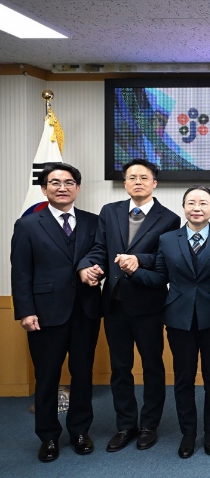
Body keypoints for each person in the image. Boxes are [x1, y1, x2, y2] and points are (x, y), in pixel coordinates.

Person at [129, 186, 210, 458]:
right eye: (191, 203)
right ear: (184, 207)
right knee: (183, 378)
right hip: (179, 318)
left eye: (203, 203)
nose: (197, 208)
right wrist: (134, 273)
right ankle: (188, 432)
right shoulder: (168, 239)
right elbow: (160, 277)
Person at [77, 158, 180, 452]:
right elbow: (100, 249)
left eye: (144, 177)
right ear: (125, 183)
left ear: (154, 183)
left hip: (149, 303)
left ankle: (149, 425)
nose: (138, 182)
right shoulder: (109, 212)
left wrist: (139, 260)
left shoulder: (169, 218)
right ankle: (125, 425)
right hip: (114, 304)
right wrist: (87, 267)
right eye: (132, 177)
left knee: (152, 366)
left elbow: (164, 258)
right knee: (120, 368)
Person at [11, 163, 102, 462]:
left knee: (83, 374)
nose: (62, 187)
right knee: (47, 376)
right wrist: (25, 311)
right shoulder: (27, 225)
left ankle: (79, 431)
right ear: (44, 189)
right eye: (55, 182)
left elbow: (99, 256)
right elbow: (20, 272)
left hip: (86, 311)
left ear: (78, 187)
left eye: (69, 182)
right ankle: (48, 436)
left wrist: (96, 271)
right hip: (45, 313)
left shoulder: (93, 222)